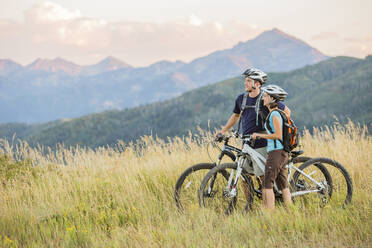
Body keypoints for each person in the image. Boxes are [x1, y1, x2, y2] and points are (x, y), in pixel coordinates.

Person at [215, 68, 291, 179]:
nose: (245, 83)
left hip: (262, 143)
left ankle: (269, 195)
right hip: (246, 142)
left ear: (257, 83)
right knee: (244, 177)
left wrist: (277, 129)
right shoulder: (241, 98)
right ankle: (250, 197)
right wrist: (223, 130)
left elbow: (287, 112)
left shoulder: (266, 97)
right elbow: (236, 115)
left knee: (263, 176)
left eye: (249, 81)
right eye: (245, 80)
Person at [251, 85, 292, 210]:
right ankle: (290, 211)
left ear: (272, 98)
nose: (263, 98)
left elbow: (278, 135)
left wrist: (259, 135)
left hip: (276, 153)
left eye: (264, 96)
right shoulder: (275, 113)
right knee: (283, 184)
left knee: (267, 183)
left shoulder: (274, 114)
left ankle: (269, 214)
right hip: (280, 152)